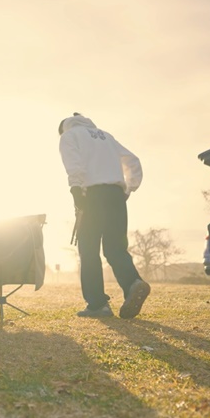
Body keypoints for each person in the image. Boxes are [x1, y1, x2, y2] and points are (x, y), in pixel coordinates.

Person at [58, 113, 151, 319]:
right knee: (115, 248)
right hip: (116, 195)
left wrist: (76, 189)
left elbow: (74, 164)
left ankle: (98, 305)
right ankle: (133, 283)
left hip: (91, 195)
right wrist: (128, 189)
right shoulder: (106, 136)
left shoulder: (69, 136)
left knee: (89, 250)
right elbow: (133, 161)